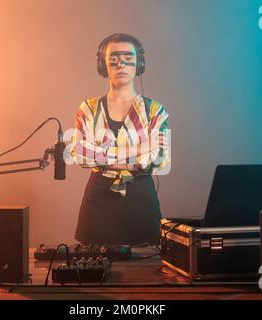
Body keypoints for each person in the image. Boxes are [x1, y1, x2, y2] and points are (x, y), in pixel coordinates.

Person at [70, 33, 170, 246]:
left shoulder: (155, 111)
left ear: (139, 64)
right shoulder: (88, 109)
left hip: (141, 202)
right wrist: (139, 148)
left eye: (127, 58)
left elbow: (158, 161)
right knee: (94, 271)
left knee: (149, 272)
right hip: (97, 201)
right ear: (103, 65)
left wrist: (102, 155)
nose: (121, 64)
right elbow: (81, 156)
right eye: (114, 59)